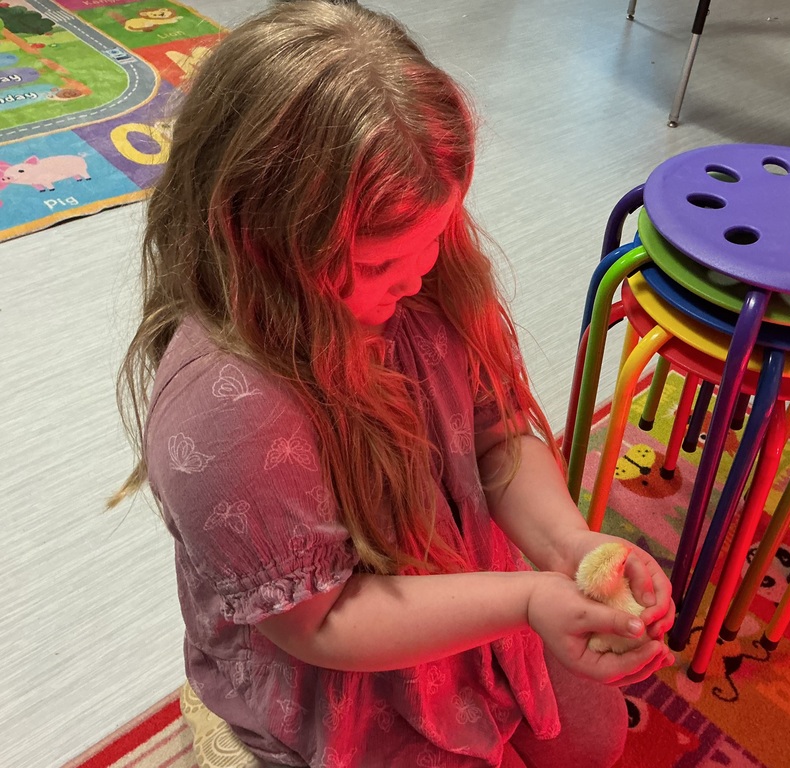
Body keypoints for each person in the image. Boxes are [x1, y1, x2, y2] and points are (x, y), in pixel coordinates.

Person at [109, 2, 675, 766]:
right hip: (336, 664)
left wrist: (569, 546)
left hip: (452, 577)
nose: (418, 275)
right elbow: (322, 622)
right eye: (379, 265)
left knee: (594, 740)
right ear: (261, 242)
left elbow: (496, 434)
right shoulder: (226, 412)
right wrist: (525, 599)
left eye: (438, 236)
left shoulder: (426, 273)